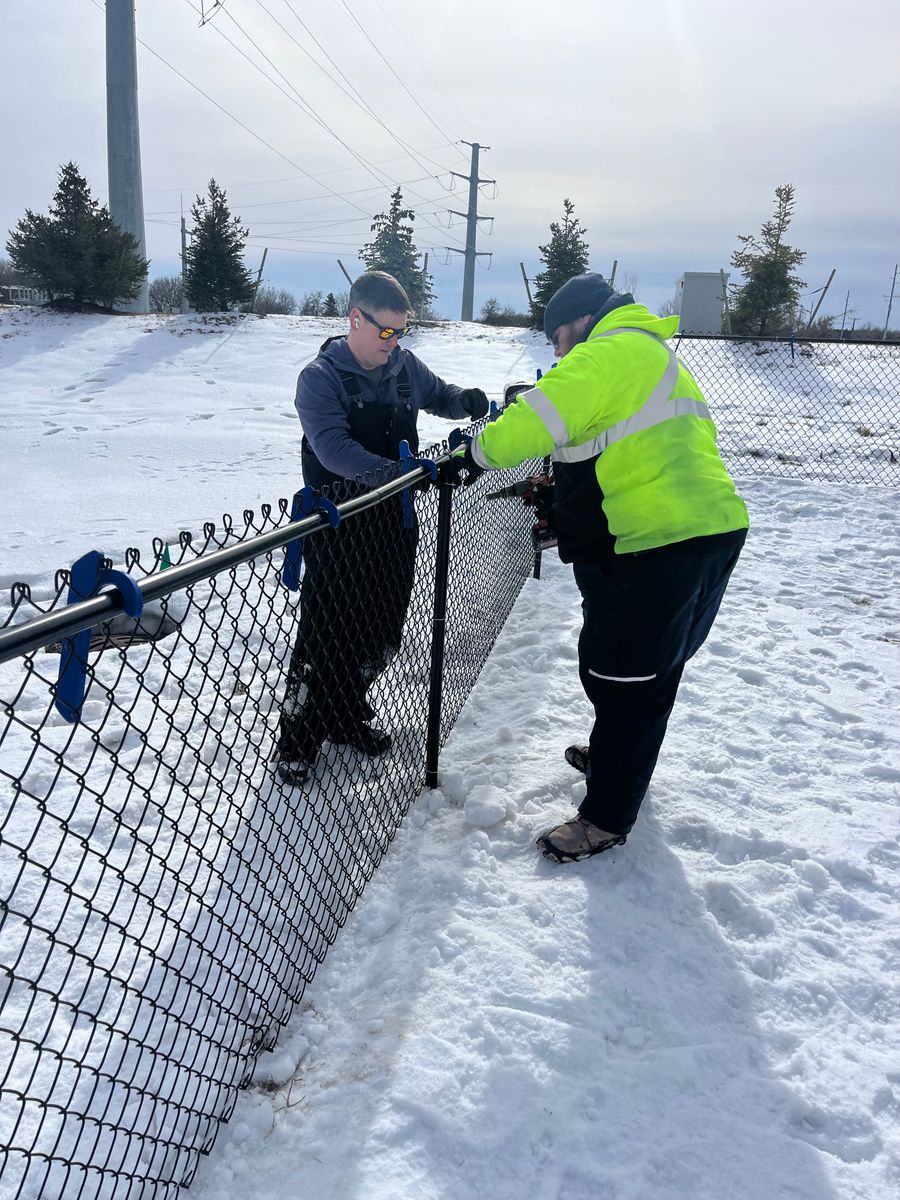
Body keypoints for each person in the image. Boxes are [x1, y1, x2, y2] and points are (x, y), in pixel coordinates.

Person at [451, 272, 749, 862]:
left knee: (627, 680)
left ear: (581, 321)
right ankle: (619, 759)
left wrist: (470, 454)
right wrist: (562, 497)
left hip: (657, 544)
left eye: (557, 338)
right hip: (707, 532)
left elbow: (535, 420)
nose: (557, 353)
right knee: (648, 670)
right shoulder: (649, 353)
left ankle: (606, 817)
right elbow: (614, 447)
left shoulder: (606, 352)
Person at [276, 270, 489, 785]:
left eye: (402, 332)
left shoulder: (403, 366)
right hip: (338, 521)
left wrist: (465, 401)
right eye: (387, 332)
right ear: (356, 319)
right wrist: (404, 473)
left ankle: (346, 715)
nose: (395, 343)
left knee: (381, 630)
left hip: (393, 522)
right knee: (327, 635)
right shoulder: (321, 378)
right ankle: (299, 738)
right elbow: (334, 451)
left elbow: (437, 395)